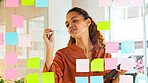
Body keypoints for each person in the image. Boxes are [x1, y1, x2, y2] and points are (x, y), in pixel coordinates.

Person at [43, 7, 127, 83]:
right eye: (67, 25)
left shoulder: (105, 54)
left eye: (74, 21)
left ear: (88, 22)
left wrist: (120, 75)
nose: (70, 26)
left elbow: (109, 81)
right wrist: (49, 48)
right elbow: (50, 80)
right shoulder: (63, 55)